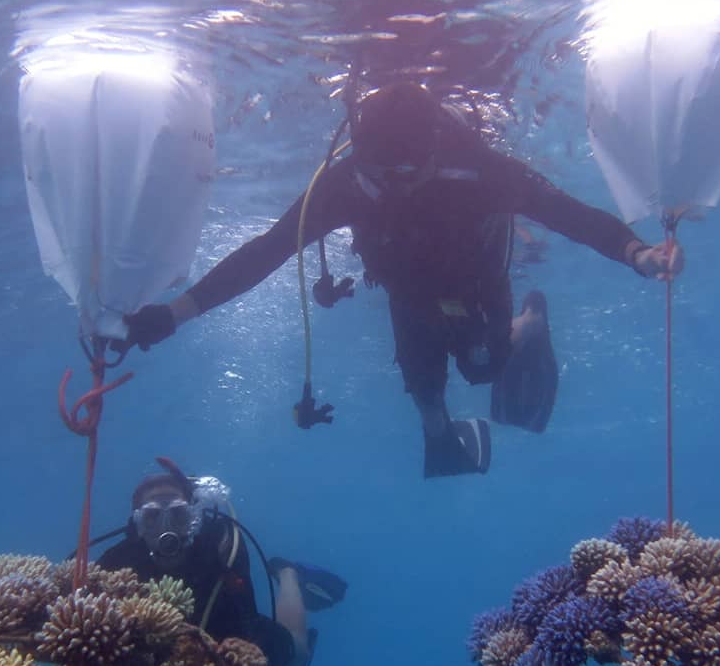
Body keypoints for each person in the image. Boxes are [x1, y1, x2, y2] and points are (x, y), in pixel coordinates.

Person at [121, 82, 683, 477]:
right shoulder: (344, 185)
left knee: (483, 367)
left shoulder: (484, 173)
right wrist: (176, 313)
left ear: (435, 151)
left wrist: (637, 253)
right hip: (406, 292)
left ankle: (531, 318)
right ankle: (441, 435)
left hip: (479, 282)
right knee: (423, 390)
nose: (388, 184)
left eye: (403, 172)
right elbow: (266, 253)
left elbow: (571, 215)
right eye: (375, 171)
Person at [95, 458, 347, 666]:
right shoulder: (117, 561)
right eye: (152, 517)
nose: (166, 527)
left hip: (229, 624)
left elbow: (246, 619)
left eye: (178, 515)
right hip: (159, 652)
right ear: (137, 525)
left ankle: (288, 573)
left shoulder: (222, 544)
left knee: (298, 652)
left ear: (194, 517)